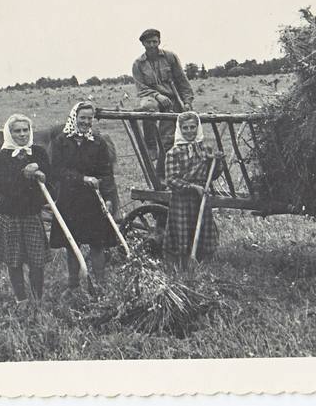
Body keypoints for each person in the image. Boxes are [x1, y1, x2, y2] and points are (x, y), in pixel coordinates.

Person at [49, 101, 117, 293]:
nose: (86, 122)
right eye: (83, 118)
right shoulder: (62, 141)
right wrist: (82, 178)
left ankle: (100, 285)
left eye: (90, 118)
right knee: (72, 243)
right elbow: (57, 170)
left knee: (97, 243)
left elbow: (106, 172)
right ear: (74, 118)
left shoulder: (98, 142)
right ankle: (73, 284)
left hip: (94, 201)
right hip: (70, 200)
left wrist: (109, 198)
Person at [0, 114, 51, 307]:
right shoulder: (1, 156)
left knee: (37, 261)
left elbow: (49, 178)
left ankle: (37, 298)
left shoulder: (39, 153)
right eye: (17, 131)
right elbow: (4, 186)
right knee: (14, 260)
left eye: (25, 130)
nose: (22, 134)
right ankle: (21, 300)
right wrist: (24, 174)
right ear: (9, 134)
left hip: (32, 215)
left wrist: (41, 173)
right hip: (10, 216)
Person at [164, 111, 223, 271]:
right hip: (182, 200)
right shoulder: (173, 153)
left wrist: (215, 161)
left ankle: (203, 268)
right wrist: (192, 187)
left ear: (198, 128)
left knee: (204, 231)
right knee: (182, 234)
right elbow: (171, 180)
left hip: (201, 199)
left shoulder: (204, 149)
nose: (189, 131)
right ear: (179, 129)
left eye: (192, 127)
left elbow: (214, 174)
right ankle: (181, 269)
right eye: (185, 128)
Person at [132, 28, 195, 160]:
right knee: (148, 109)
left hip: (171, 100)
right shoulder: (138, 64)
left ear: (159, 41)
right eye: (148, 42)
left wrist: (187, 101)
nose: (152, 45)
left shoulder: (170, 57)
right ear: (143, 44)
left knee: (167, 139)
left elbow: (182, 81)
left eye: (155, 42)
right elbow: (141, 88)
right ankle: (151, 146)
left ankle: (163, 171)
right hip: (150, 97)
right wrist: (157, 96)